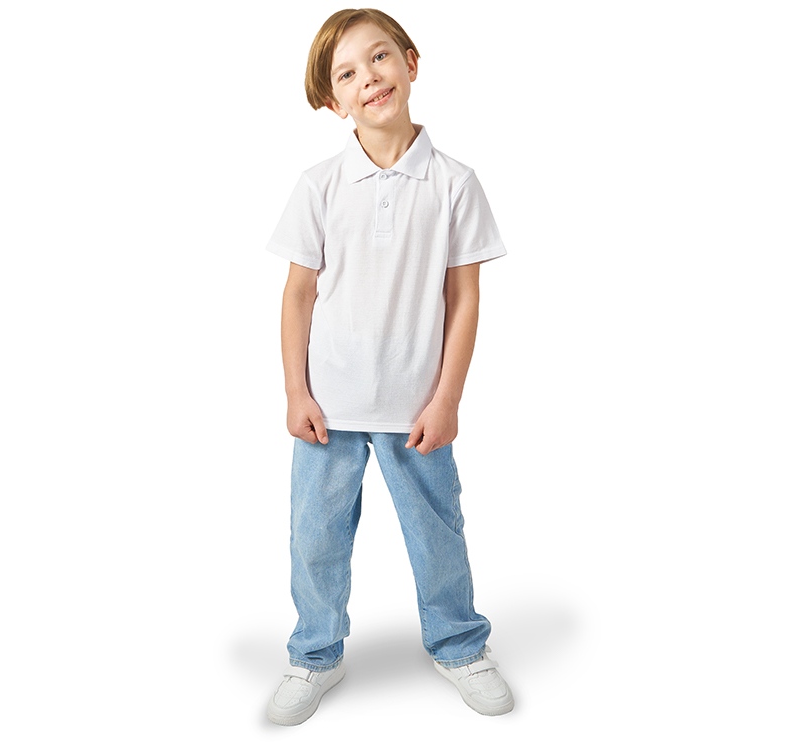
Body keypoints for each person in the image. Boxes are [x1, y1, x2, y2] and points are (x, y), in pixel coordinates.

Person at [264, 8, 513, 725]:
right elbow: (298, 294)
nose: (368, 78)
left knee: (437, 533)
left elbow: (464, 298)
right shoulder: (319, 185)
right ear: (332, 100)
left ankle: (459, 644)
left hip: (415, 408)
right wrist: (295, 391)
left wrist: (447, 399)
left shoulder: (455, 183)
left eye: (379, 58)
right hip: (328, 406)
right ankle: (315, 653)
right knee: (315, 538)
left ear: (410, 61)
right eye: (346, 73)